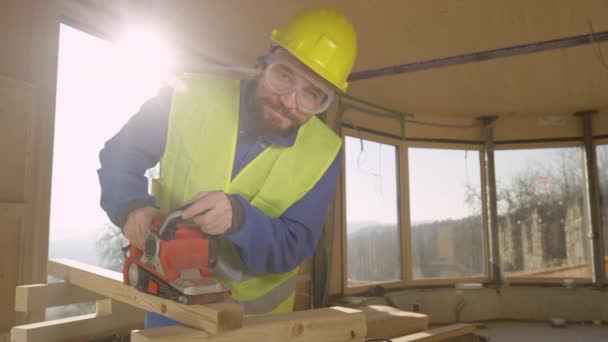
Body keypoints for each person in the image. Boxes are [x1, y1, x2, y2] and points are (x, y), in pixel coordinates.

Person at [97, 8, 357, 326]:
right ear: (263, 65)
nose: (289, 101)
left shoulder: (325, 154)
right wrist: (131, 207)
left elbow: (295, 245)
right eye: (284, 75)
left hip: (258, 325)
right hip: (171, 305)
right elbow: (119, 156)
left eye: (312, 94)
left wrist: (241, 219)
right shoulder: (186, 96)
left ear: (324, 103)